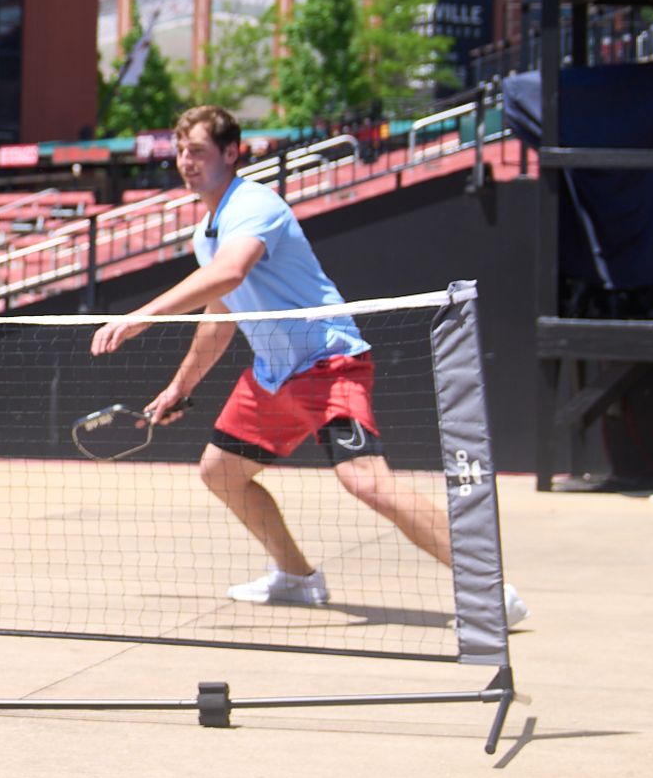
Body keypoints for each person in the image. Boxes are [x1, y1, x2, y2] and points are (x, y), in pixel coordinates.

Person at [90, 104, 526, 623]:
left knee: (367, 482)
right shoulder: (205, 231)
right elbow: (218, 320)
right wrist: (178, 388)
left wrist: (145, 315)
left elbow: (231, 274)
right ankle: (297, 577)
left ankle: (490, 589)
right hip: (273, 377)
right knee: (222, 472)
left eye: (199, 151)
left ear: (231, 153)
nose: (186, 161)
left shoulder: (254, 206)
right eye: (181, 151)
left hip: (326, 363)